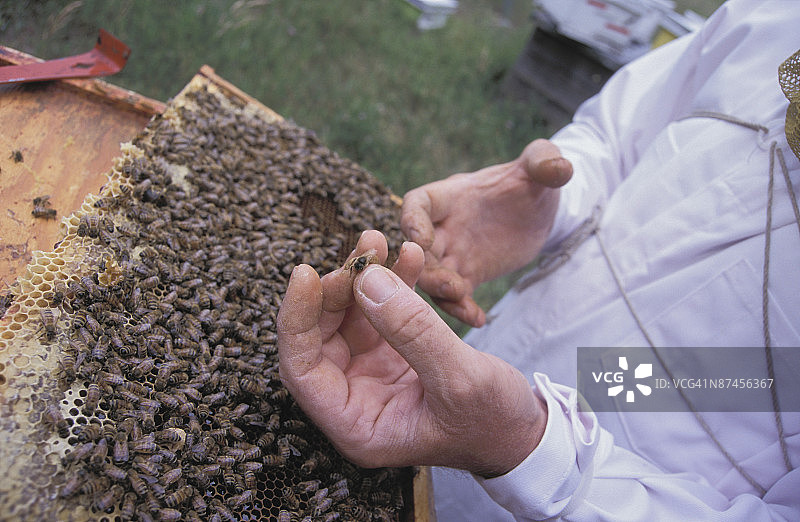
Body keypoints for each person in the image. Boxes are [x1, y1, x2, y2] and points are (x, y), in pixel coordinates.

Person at [277, 0, 800, 519]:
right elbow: (622, 135)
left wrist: (531, 451)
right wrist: (553, 204)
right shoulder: (773, 18)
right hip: (495, 367)